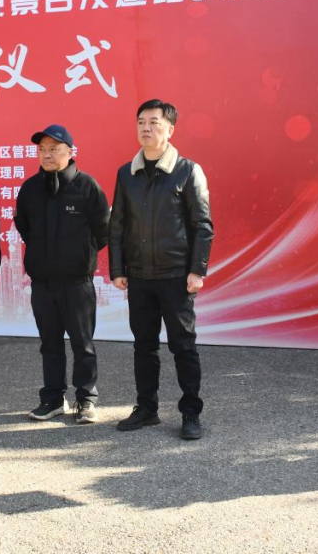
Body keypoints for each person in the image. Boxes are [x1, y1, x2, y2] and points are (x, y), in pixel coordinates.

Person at [109, 99, 214, 440]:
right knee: (144, 345)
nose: (146, 127)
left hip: (175, 276)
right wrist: (118, 268)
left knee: (183, 345)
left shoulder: (187, 171)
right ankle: (146, 408)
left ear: (170, 129)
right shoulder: (126, 174)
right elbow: (117, 225)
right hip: (140, 276)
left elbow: (202, 225)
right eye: (141, 121)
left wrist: (197, 270)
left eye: (154, 122)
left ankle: (190, 412)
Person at [15, 124, 109, 424]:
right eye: (42, 149)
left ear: (70, 151)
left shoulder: (86, 186)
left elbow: (103, 230)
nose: (47, 154)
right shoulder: (30, 188)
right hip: (43, 283)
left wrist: (79, 255)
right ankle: (53, 399)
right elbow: (24, 225)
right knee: (50, 344)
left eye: (54, 149)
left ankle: (86, 398)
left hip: (77, 283)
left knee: (83, 344)